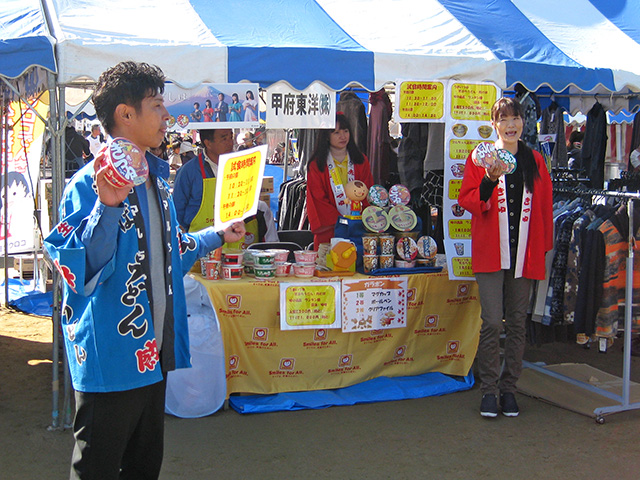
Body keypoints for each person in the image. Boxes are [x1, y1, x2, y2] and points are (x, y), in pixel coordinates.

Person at [43, 61, 246, 480]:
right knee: (96, 470)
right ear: (126, 114)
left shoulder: (156, 180)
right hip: (110, 363)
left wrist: (218, 234)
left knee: (143, 468)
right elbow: (83, 272)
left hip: (152, 358)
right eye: (157, 105)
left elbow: (173, 251)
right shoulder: (86, 185)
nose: (167, 116)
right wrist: (107, 205)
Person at [458, 97, 553, 419]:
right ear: (494, 123)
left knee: (516, 322)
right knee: (490, 321)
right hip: (490, 252)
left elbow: (544, 206)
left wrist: (543, 247)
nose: (511, 125)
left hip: (524, 252)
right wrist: (489, 179)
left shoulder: (535, 160)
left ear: (523, 123)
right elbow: (468, 201)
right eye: (504, 119)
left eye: (516, 118)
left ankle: (509, 389)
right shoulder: (482, 157)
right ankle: (489, 390)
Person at [172, 128, 277, 246]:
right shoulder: (188, 172)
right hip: (203, 247)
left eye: (230, 137)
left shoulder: (242, 165)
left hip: (239, 245)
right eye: (224, 138)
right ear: (208, 143)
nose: (230, 142)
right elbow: (177, 215)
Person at [306, 113, 374, 249]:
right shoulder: (316, 165)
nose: (343, 136)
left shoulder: (361, 160)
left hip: (358, 228)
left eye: (346, 131)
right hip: (330, 230)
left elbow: (368, 192)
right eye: (336, 132)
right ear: (326, 136)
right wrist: (341, 222)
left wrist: (361, 220)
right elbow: (318, 199)